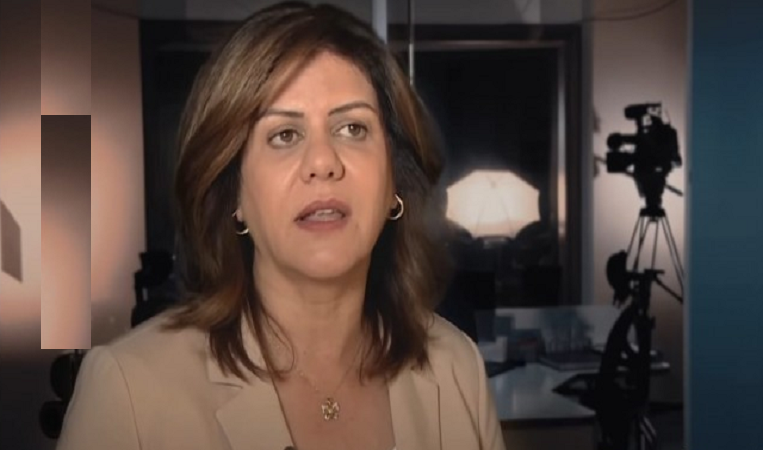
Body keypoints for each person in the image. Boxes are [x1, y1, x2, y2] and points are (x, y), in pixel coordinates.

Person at [57, 2, 505, 450]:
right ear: (234, 193)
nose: (323, 162)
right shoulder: (129, 392)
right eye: (284, 135)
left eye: (352, 128)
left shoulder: (455, 366)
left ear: (394, 183)